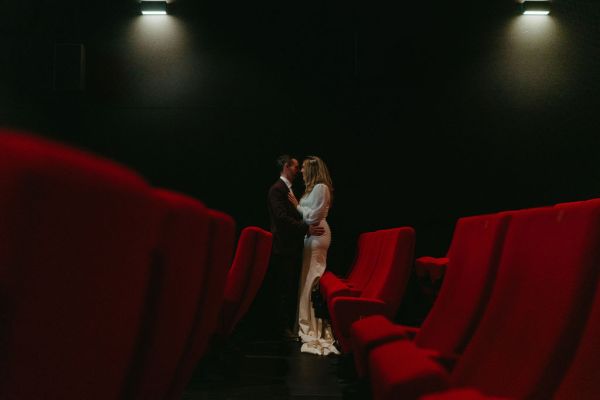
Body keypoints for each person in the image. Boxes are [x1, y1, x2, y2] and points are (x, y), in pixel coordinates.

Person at [267, 155, 325, 339]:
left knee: (288, 287)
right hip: (283, 247)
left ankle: (287, 326)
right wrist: (305, 228)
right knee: (283, 288)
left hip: (291, 246)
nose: (298, 170)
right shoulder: (277, 190)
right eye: (295, 166)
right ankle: (281, 329)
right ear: (286, 166)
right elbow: (282, 220)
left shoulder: (288, 190)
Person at [288, 156, 339, 355]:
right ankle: (307, 322)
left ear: (313, 170)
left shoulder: (321, 188)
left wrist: (298, 207)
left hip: (318, 236)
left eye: (304, 168)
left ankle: (314, 326)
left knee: (312, 279)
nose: (301, 171)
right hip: (311, 236)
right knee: (306, 279)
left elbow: (312, 217)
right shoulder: (313, 189)